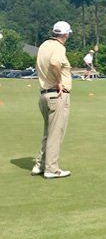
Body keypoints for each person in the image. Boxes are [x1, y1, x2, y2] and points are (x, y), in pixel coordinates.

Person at [31, 21, 74, 179]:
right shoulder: (59, 47)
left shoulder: (44, 45)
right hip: (57, 95)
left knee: (48, 133)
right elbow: (55, 63)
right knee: (56, 134)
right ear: (65, 34)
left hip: (44, 94)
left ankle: (40, 165)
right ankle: (51, 169)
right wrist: (59, 82)